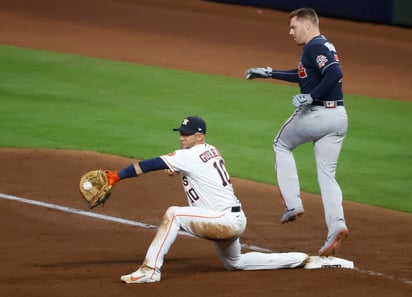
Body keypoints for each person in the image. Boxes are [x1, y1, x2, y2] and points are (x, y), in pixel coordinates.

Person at [104, 115, 309, 283]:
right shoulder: (211, 149)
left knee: (174, 214)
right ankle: (300, 259)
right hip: (232, 218)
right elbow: (199, 168)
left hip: (224, 220)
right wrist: (179, 169)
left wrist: (116, 176)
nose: (182, 137)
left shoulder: (188, 156)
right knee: (235, 262)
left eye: (187, 134)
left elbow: (149, 165)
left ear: (200, 136)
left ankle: (150, 270)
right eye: (181, 133)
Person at [245, 7, 349, 257]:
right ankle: (337, 226)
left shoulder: (314, 46)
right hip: (338, 118)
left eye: (293, 27)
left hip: (317, 114)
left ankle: (292, 204)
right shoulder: (321, 47)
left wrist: (312, 96)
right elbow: (303, 75)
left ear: (307, 25)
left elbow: (335, 73)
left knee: (281, 144)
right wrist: (271, 73)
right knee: (328, 175)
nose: (290, 32)